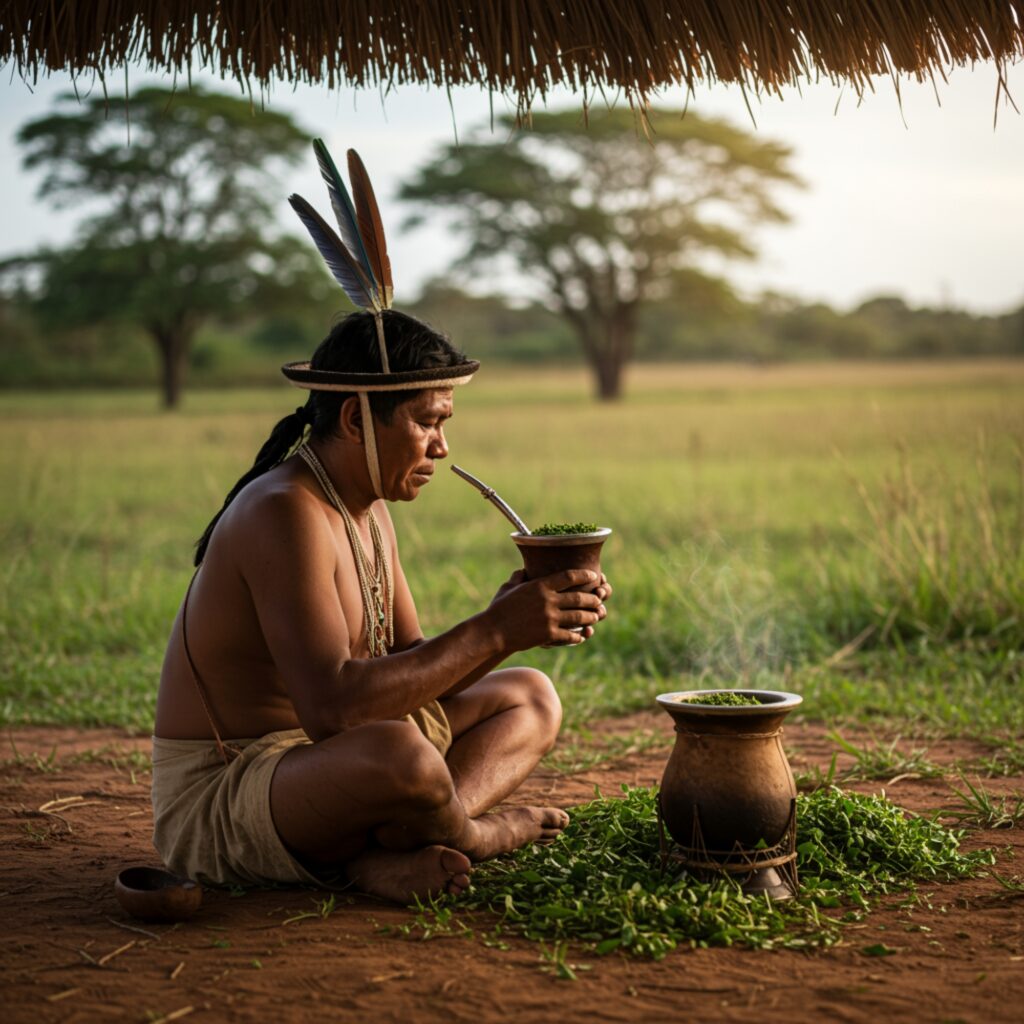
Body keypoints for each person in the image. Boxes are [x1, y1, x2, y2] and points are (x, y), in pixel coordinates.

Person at [151, 309, 612, 901]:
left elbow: (416, 670)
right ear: (354, 419)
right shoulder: (283, 510)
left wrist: (512, 622)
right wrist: (494, 631)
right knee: (400, 752)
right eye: (428, 423)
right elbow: (332, 711)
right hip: (233, 788)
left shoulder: (366, 507)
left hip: (330, 763)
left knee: (530, 697)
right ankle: (465, 835)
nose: (442, 448)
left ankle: (394, 848)